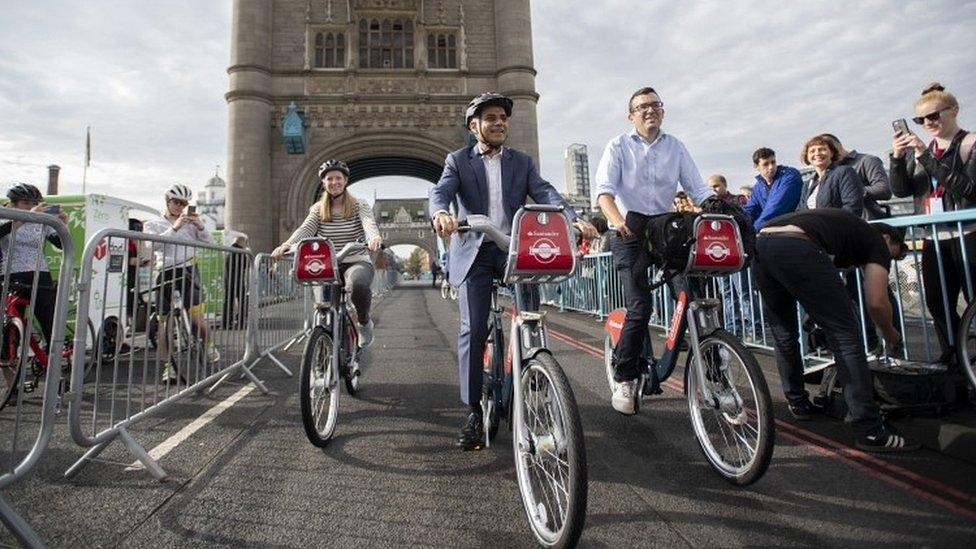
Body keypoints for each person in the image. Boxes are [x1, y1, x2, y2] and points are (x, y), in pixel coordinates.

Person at [429, 92, 597, 450]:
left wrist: (572, 217)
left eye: (503, 118)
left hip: (514, 249)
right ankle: (473, 409)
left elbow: (546, 192)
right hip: (474, 250)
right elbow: (440, 193)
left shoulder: (522, 161)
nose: (499, 123)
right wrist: (440, 214)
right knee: (474, 329)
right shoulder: (458, 161)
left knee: (531, 316)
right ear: (474, 127)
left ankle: (535, 365)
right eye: (490, 118)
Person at [754, 209, 918, 452]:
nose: (889, 261)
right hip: (795, 244)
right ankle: (870, 430)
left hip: (762, 245)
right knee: (846, 337)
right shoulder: (876, 241)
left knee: (784, 335)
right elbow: (876, 301)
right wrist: (890, 333)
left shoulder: (840, 229)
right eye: (894, 254)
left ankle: (798, 403)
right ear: (887, 239)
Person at [594, 86, 715, 415]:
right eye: (642, 107)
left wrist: (717, 205)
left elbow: (698, 188)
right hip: (629, 232)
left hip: (665, 231)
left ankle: (715, 376)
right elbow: (604, 192)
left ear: (662, 111)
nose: (650, 110)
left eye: (656, 105)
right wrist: (618, 222)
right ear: (631, 115)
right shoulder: (618, 146)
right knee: (640, 308)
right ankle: (625, 377)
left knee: (690, 297)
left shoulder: (674, 146)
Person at [890, 82, 976, 364]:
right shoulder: (921, 151)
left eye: (934, 116)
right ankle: (955, 357)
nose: (928, 123)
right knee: (938, 303)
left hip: (969, 233)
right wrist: (898, 158)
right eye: (921, 119)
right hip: (935, 237)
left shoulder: (970, 143)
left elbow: (967, 189)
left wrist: (925, 157)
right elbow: (901, 190)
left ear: (953, 111)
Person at [272, 160, 383, 347]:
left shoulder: (359, 205)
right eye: (329, 179)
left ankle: (364, 322)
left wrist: (374, 237)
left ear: (345, 180)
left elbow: (368, 223)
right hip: (327, 264)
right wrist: (287, 244)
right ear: (323, 183)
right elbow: (305, 229)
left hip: (355, 259)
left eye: (338, 178)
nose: (334, 182)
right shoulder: (317, 209)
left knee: (358, 285)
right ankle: (323, 356)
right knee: (325, 309)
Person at [143, 184, 220, 381]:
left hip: (188, 270)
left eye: (184, 203)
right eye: (176, 202)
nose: (180, 207)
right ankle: (169, 366)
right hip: (165, 272)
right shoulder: (153, 224)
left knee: (196, 319)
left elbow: (211, 244)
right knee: (164, 323)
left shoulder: (191, 223)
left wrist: (200, 226)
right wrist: (174, 227)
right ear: (167, 201)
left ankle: (209, 345)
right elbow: (152, 246)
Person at [0, 184, 68, 354]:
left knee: (48, 321)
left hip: (40, 273)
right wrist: (28, 216)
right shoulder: (4, 216)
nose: (31, 206)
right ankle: (10, 369)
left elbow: (61, 244)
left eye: (34, 203)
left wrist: (62, 225)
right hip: (11, 274)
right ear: (12, 204)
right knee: (9, 326)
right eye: (25, 203)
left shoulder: (43, 221)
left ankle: (54, 364)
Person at [820, 134, 892, 220]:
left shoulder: (867, 160)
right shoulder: (829, 168)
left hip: (866, 221)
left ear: (837, 146)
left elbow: (883, 189)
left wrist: (851, 192)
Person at [798, 135, 864, 216]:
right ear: (807, 157)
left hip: (838, 226)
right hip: (814, 227)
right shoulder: (807, 184)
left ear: (832, 153)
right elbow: (801, 212)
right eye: (812, 151)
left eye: (822, 149)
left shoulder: (844, 172)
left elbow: (852, 206)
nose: (817, 153)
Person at [743, 148, 803, 231]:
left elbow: (775, 208)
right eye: (766, 164)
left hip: (792, 227)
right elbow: (749, 210)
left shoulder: (789, 176)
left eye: (773, 162)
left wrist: (752, 231)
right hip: (770, 228)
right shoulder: (758, 187)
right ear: (756, 166)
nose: (771, 167)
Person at [221, 234, 250, 330]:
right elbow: (245, 265)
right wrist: (247, 253)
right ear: (242, 243)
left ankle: (226, 323)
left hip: (228, 280)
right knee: (242, 301)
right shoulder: (240, 252)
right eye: (246, 243)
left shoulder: (230, 252)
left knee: (228, 302)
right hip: (237, 280)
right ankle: (241, 322)